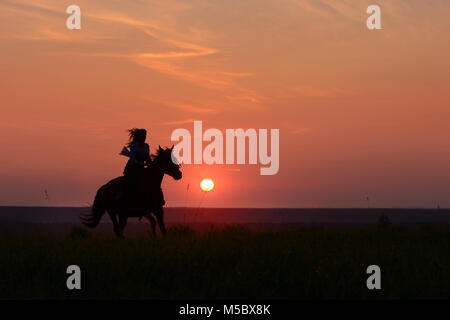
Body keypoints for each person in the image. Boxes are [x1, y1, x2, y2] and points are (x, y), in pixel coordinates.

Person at [119, 128, 165, 207]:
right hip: (132, 168)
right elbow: (132, 159)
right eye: (142, 136)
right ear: (138, 137)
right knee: (132, 182)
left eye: (145, 136)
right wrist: (139, 163)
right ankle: (124, 198)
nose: (144, 138)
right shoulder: (134, 146)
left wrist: (150, 164)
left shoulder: (146, 146)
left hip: (141, 168)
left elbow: (147, 157)